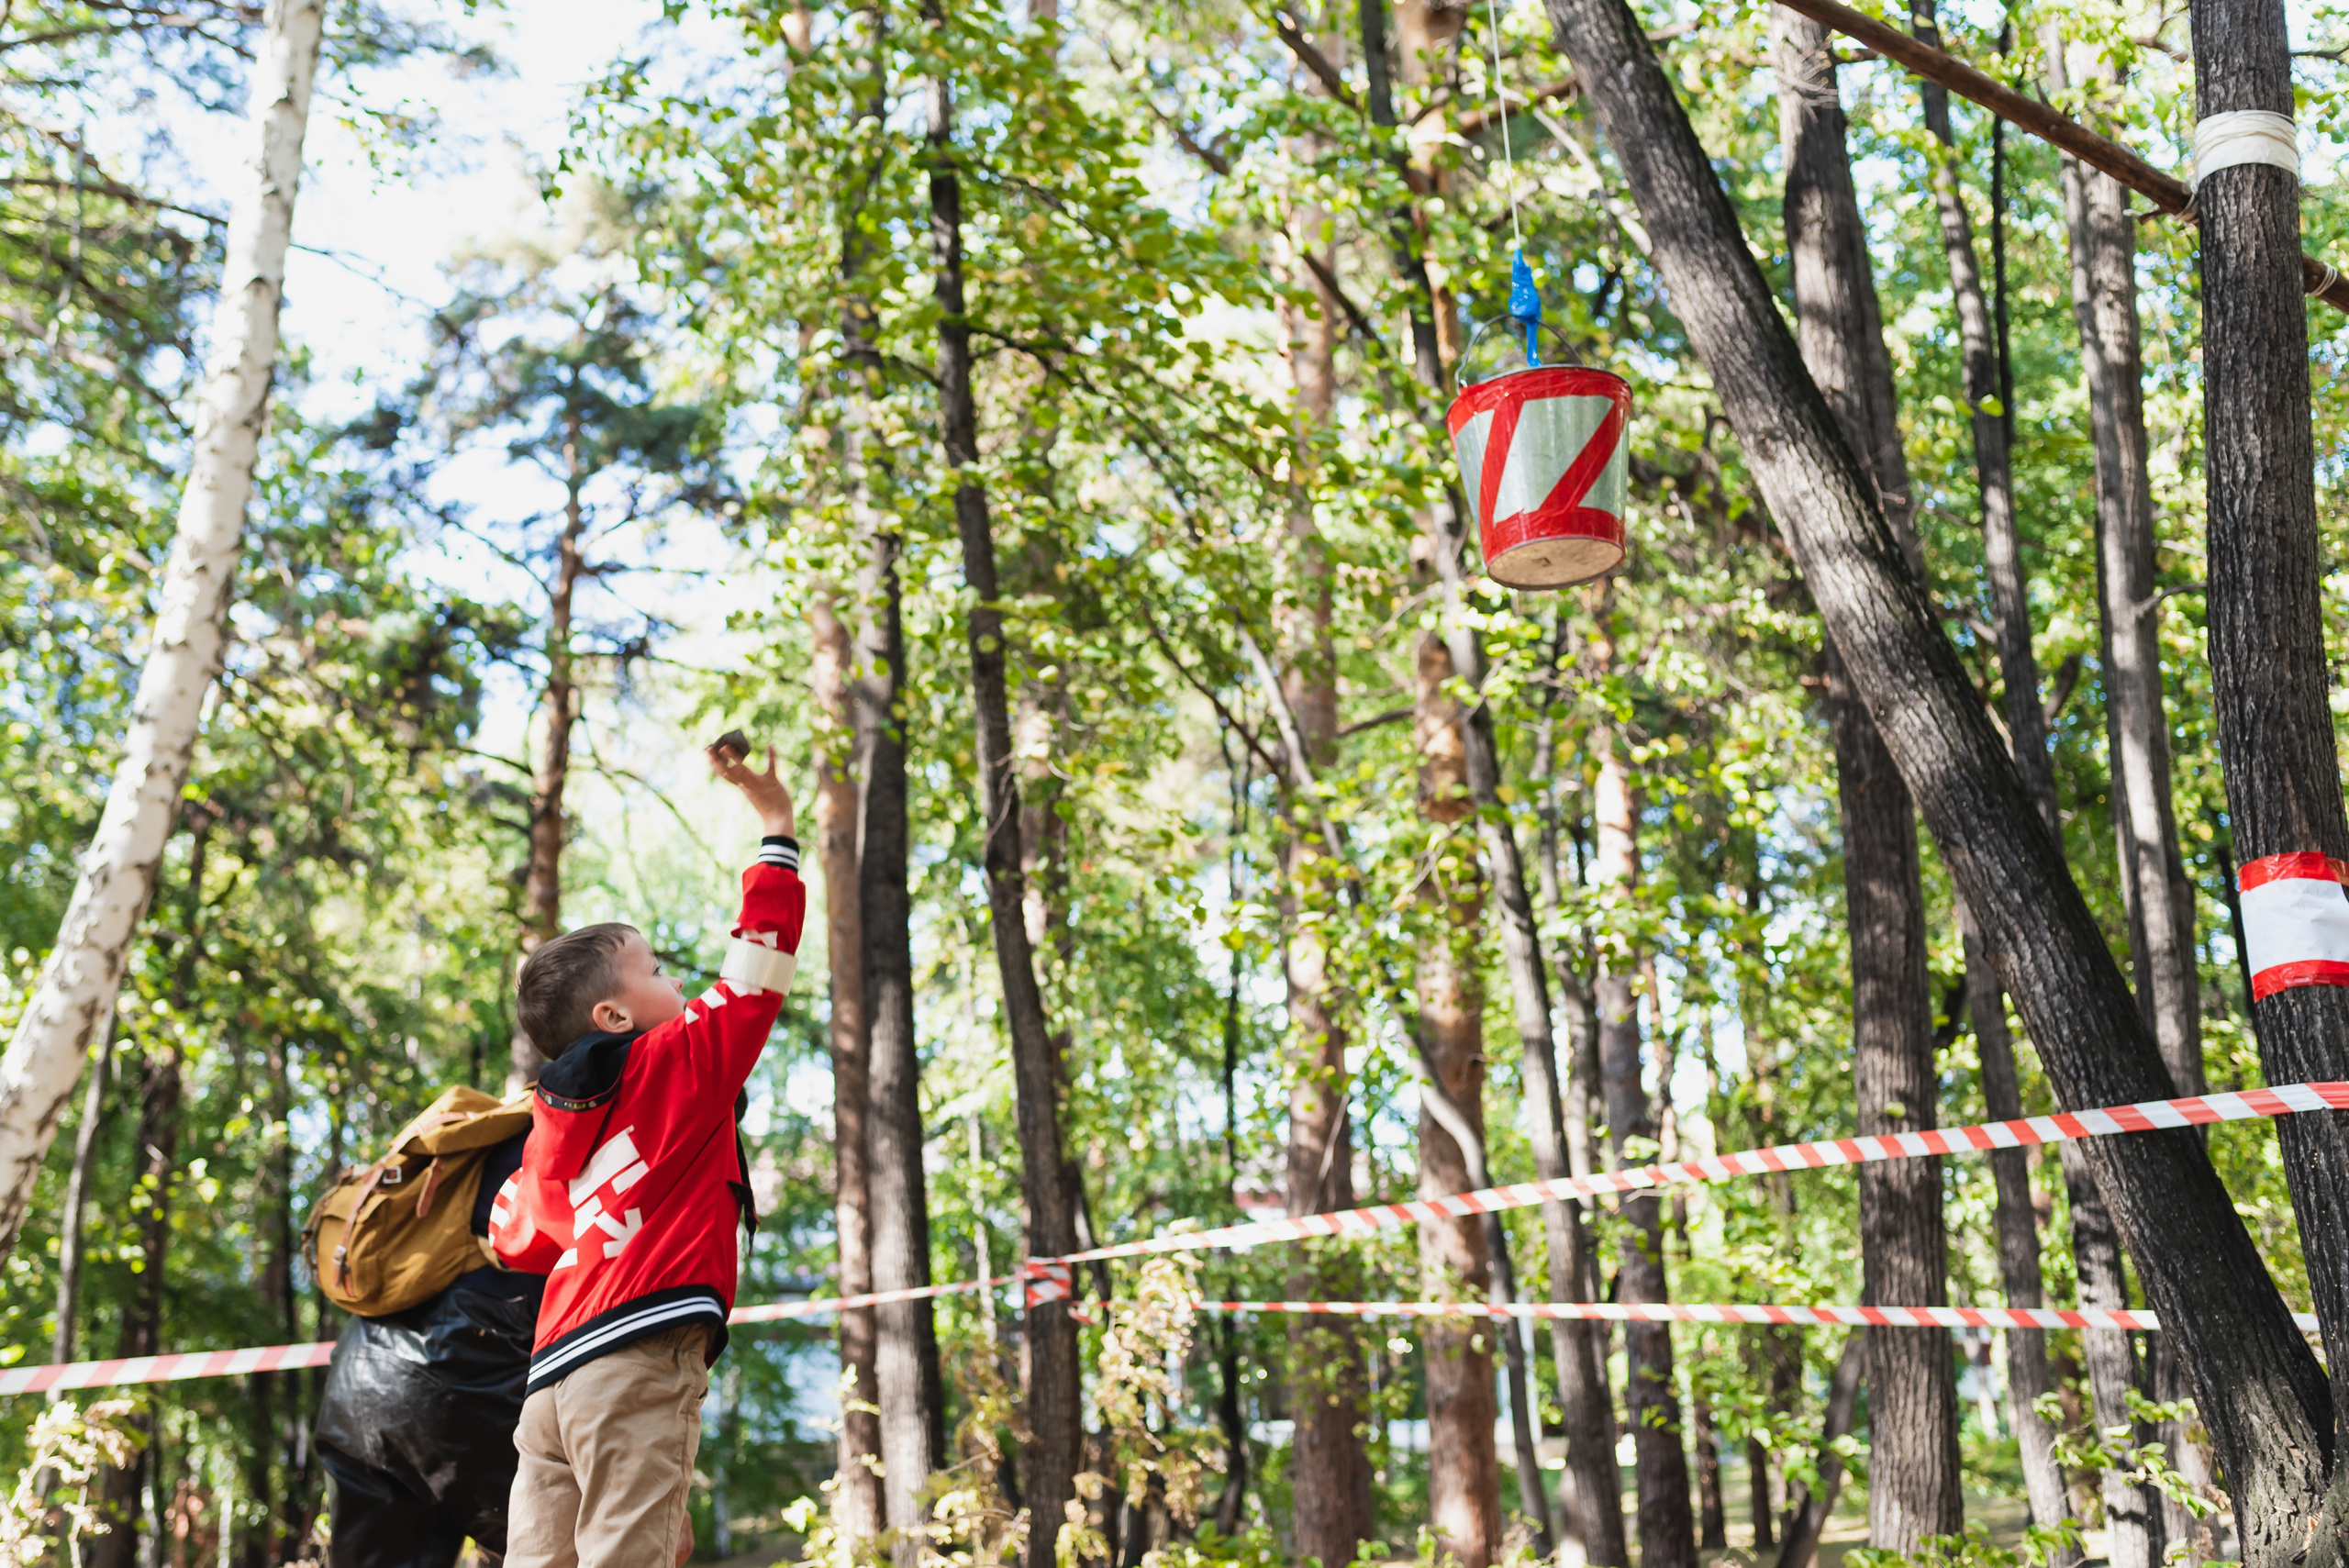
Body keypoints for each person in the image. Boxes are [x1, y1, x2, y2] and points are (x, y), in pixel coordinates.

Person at [489, 741, 805, 1568]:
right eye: (657, 970)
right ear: (614, 1017)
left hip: (550, 1381)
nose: (678, 984)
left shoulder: (546, 1131)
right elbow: (755, 975)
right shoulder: (676, 1065)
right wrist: (776, 829)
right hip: (636, 1354)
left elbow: (516, 1237)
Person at [313, 1126, 544, 1567]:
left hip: (359, 1378)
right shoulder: (579, 1132)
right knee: (575, 1541)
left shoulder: (475, 1136)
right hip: (467, 1370)